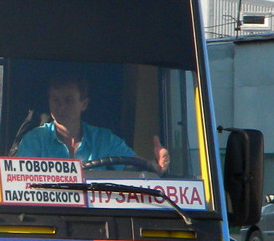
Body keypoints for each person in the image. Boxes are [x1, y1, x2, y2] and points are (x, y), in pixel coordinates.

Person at [16, 74, 170, 173]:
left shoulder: (105, 139)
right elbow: (20, 182)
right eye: (55, 100)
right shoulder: (33, 140)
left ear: (84, 104)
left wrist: (155, 165)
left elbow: (137, 166)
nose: (61, 107)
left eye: (68, 100)